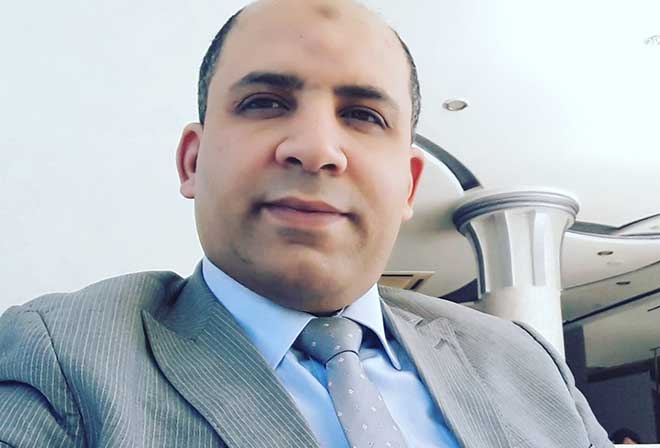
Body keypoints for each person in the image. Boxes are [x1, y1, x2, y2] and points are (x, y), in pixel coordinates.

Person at [0, 0, 613, 447]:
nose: (317, 149)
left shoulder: (525, 364)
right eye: (265, 102)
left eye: (364, 115)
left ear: (408, 185)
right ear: (193, 161)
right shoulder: (59, 362)